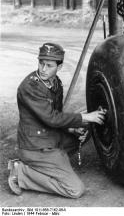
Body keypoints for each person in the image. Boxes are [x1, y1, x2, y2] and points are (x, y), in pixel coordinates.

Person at [7, 42, 106, 198]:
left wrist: (72, 129)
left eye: (49, 65)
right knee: (75, 190)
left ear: (59, 67)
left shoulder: (55, 82)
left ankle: (51, 165)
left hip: (50, 137)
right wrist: (85, 117)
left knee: (84, 133)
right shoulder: (31, 86)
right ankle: (21, 172)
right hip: (36, 146)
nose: (43, 69)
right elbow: (51, 118)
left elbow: (56, 113)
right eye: (41, 63)